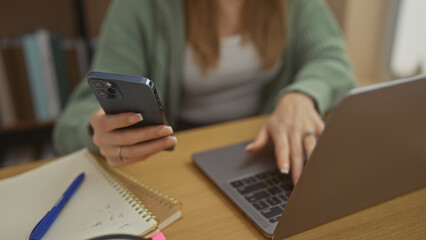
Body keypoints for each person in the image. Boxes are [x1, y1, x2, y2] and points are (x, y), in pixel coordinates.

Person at [53, 0, 356, 185]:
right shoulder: (140, 6)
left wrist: (302, 95)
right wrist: (97, 131)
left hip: (259, 144)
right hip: (178, 152)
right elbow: (72, 122)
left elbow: (332, 60)